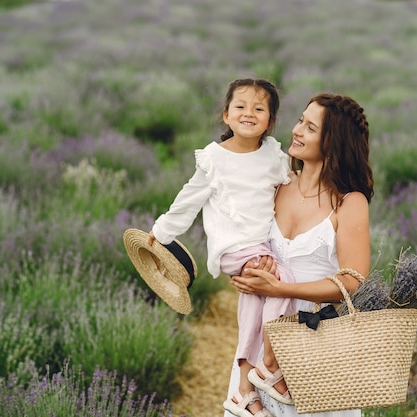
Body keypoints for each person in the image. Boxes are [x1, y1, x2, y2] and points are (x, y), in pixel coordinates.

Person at [147, 78, 297, 417]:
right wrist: (162, 230)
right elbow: (188, 199)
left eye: (260, 108)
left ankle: (245, 390)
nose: (249, 113)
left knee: (256, 306)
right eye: (240, 107)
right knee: (281, 281)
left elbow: (294, 186)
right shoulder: (215, 158)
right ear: (226, 115)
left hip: (263, 245)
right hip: (236, 247)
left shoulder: (273, 154)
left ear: (270, 121)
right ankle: (271, 368)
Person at [225, 92, 374, 417]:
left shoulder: (349, 202)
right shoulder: (276, 185)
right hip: (261, 337)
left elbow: (352, 280)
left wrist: (280, 289)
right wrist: (250, 271)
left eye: (310, 127)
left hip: (314, 339)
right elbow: (242, 245)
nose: (297, 130)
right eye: (300, 121)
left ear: (333, 142)